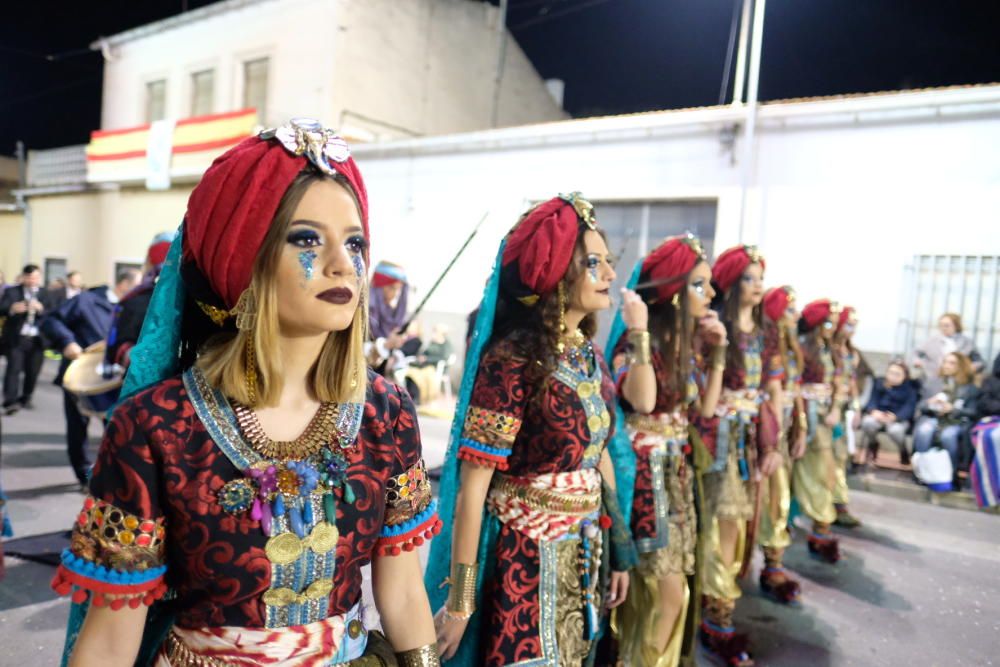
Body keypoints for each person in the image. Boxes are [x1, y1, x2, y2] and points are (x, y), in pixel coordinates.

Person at [51, 119, 442, 666]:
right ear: (244, 258)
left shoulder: (385, 412)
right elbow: (112, 639)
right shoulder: (157, 427)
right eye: (306, 239)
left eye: (354, 242)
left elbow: (400, 592)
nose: (341, 264)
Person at [429, 193, 635, 666]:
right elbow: (471, 492)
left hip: (585, 555)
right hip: (523, 564)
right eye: (594, 264)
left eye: (608, 263)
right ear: (559, 272)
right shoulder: (512, 359)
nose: (609, 275)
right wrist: (461, 600)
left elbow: (599, 456)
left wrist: (620, 550)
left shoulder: (589, 356)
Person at [608, 233, 727, 667]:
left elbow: (707, 408)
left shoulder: (687, 346)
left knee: (677, 592)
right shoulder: (636, 346)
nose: (711, 294)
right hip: (644, 483)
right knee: (662, 595)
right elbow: (641, 401)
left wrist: (719, 352)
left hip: (676, 479)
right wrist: (638, 332)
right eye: (699, 284)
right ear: (673, 292)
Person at [687, 245, 781, 667]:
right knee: (721, 527)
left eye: (760, 277)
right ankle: (716, 618)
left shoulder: (766, 332)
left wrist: (771, 443)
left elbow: (773, 391)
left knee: (741, 527)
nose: (758, 284)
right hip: (717, 439)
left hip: (749, 439)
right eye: (748, 277)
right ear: (730, 281)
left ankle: (720, 606)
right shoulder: (711, 327)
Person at [41, 269, 141, 487]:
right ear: (125, 284)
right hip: (80, 376)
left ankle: (111, 476)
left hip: (115, 379)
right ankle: (84, 475)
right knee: (78, 427)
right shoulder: (86, 301)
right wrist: (67, 341)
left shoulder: (133, 309)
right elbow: (51, 321)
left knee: (117, 428)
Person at [758, 286, 805, 603]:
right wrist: (770, 441)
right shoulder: (764, 343)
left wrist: (800, 427)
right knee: (767, 497)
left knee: (780, 497)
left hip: (784, 429)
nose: (796, 315)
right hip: (764, 431)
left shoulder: (792, 349)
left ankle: (774, 562)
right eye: (789, 309)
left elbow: (795, 391)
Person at [792, 299, 846, 564]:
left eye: (834, 324)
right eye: (827, 322)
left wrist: (836, 407)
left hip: (826, 418)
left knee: (827, 471)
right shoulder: (802, 348)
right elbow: (794, 385)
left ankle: (821, 527)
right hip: (805, 417)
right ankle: (818, 527)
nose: (832, 327)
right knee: (814, 471)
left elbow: (839, 383)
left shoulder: (831, 349)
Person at [105, 233, 176, 369]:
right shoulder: (201, 300)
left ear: (149, 263)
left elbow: (118, 349)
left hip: (143, 384)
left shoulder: (135, 301)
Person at [912, 351, 979, 481]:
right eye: (945, 362)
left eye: (952, 363)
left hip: (957, 421)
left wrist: (952, 409)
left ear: (961, 366)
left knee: (948, 435)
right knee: (924, 430)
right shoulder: (934, 382)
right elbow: (921, 405)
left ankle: (951, 475)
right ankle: (922, 472)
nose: (947, 366)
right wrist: (930, 403)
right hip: (934, 418)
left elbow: (974, 412)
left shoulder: (970, 388)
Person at [1, 264, 47, 414]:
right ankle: (10, 401)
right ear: (24, 277)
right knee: (13, 369)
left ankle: (26, 397)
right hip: (17, 337)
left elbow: (55, 313)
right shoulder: (12, 291)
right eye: (29, 277)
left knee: (32, 371)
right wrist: (12, 309)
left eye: (35, 277)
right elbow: (2, 308)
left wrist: (41, 309)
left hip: (37, 339)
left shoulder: (46, 293)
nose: (32, 280)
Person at [831, 306, 862, 528]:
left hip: (842, 409)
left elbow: (851, 382)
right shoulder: (828, 349)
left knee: (840, 457)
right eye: (849, 324)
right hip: (827, 410)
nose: (852, 329)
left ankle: (838, 503)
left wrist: (857, 407)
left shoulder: (851, 352)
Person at [858, 358, 918, 466]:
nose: (893, 376)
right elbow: (872, 400)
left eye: (897, 374)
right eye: (890, 372)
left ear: (905, 376)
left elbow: (909, 407)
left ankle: (903, 450)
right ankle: (873, 444)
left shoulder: (910, 388)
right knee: (867, 422)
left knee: (895, 431)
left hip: (898, 418)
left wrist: (896, 417)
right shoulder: (879, 383)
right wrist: (873, 411)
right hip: (879, 415)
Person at [913, 313, 983, 396]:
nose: (943, 328)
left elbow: (979, 361)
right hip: (934, 380)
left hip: (959, 382)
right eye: (941, 325)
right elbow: (916, 354)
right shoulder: (931, 341)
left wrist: (971, 367)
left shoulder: (967, 342)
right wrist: (918, 361)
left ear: (956, 325)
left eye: (947, 325)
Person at [404, 323, 454, 405]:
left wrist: (428, 359)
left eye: (436, 331)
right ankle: (411, 397)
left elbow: (444, 358)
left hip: (434, 367)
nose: (434, 333)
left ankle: (420, 399)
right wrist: (421, 357)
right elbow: (425, 352)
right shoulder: (432, 342)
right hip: (424, 365)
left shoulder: (446, 344)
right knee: (411, 373)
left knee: (424, 375)